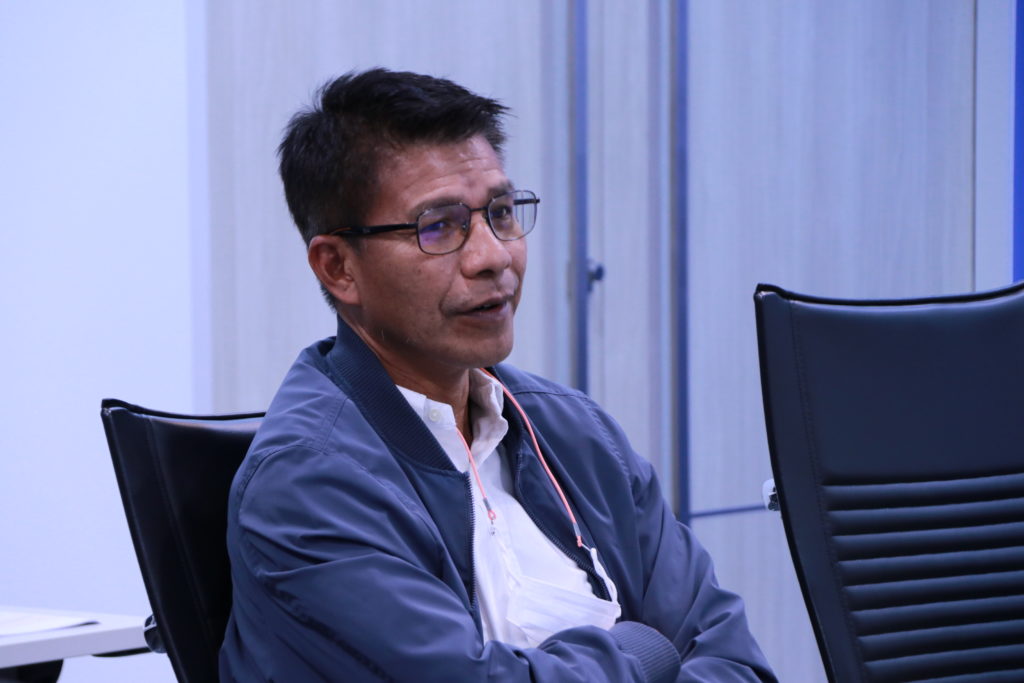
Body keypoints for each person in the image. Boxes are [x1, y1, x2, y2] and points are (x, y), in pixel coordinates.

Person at [219, 68, 775, 683]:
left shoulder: (576, 432)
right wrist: (646, 649)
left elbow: (736, 662)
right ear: (338, 267)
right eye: (439, 226)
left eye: (502, 213)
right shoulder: (308, 483)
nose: (494, 256)